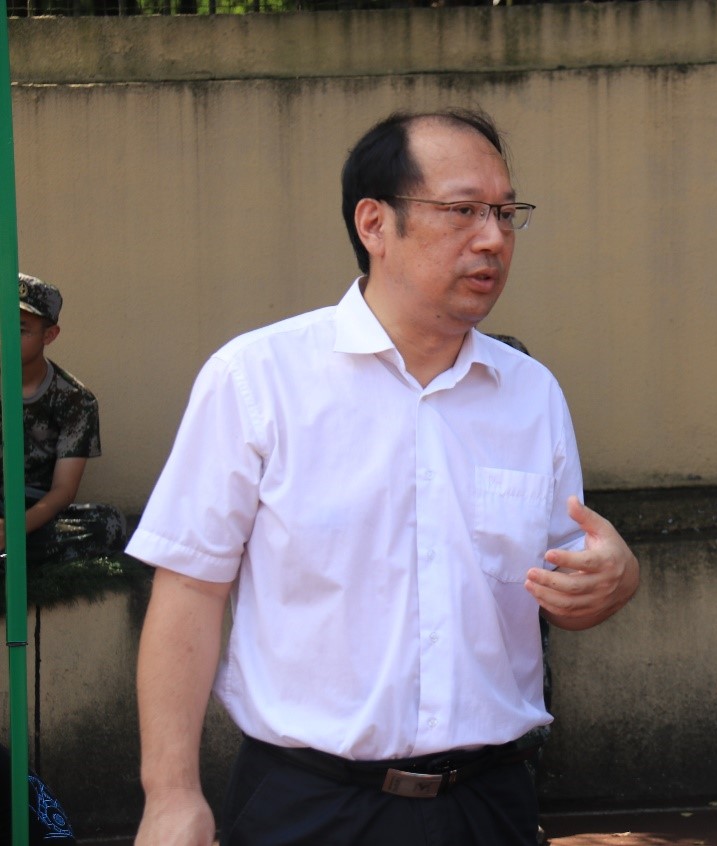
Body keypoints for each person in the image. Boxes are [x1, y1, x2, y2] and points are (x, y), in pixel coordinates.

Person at [129, 108, 640, 846]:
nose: (493, 238)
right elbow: (189, 586)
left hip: (487, 803)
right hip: (307, 807)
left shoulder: (531, 394)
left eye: (505, 213)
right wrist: (171, 794)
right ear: (374, 223)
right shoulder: (258, 378)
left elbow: (569, 580)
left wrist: (615, 579)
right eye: (462, 210)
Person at [0, 274, 125, 565]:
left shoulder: (75, 400)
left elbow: (63, 490)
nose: (7, 335)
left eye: (21, 329)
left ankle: (10, 552)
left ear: (49, 335)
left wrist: (14, 530)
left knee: (109, 524)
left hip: (36, 511)